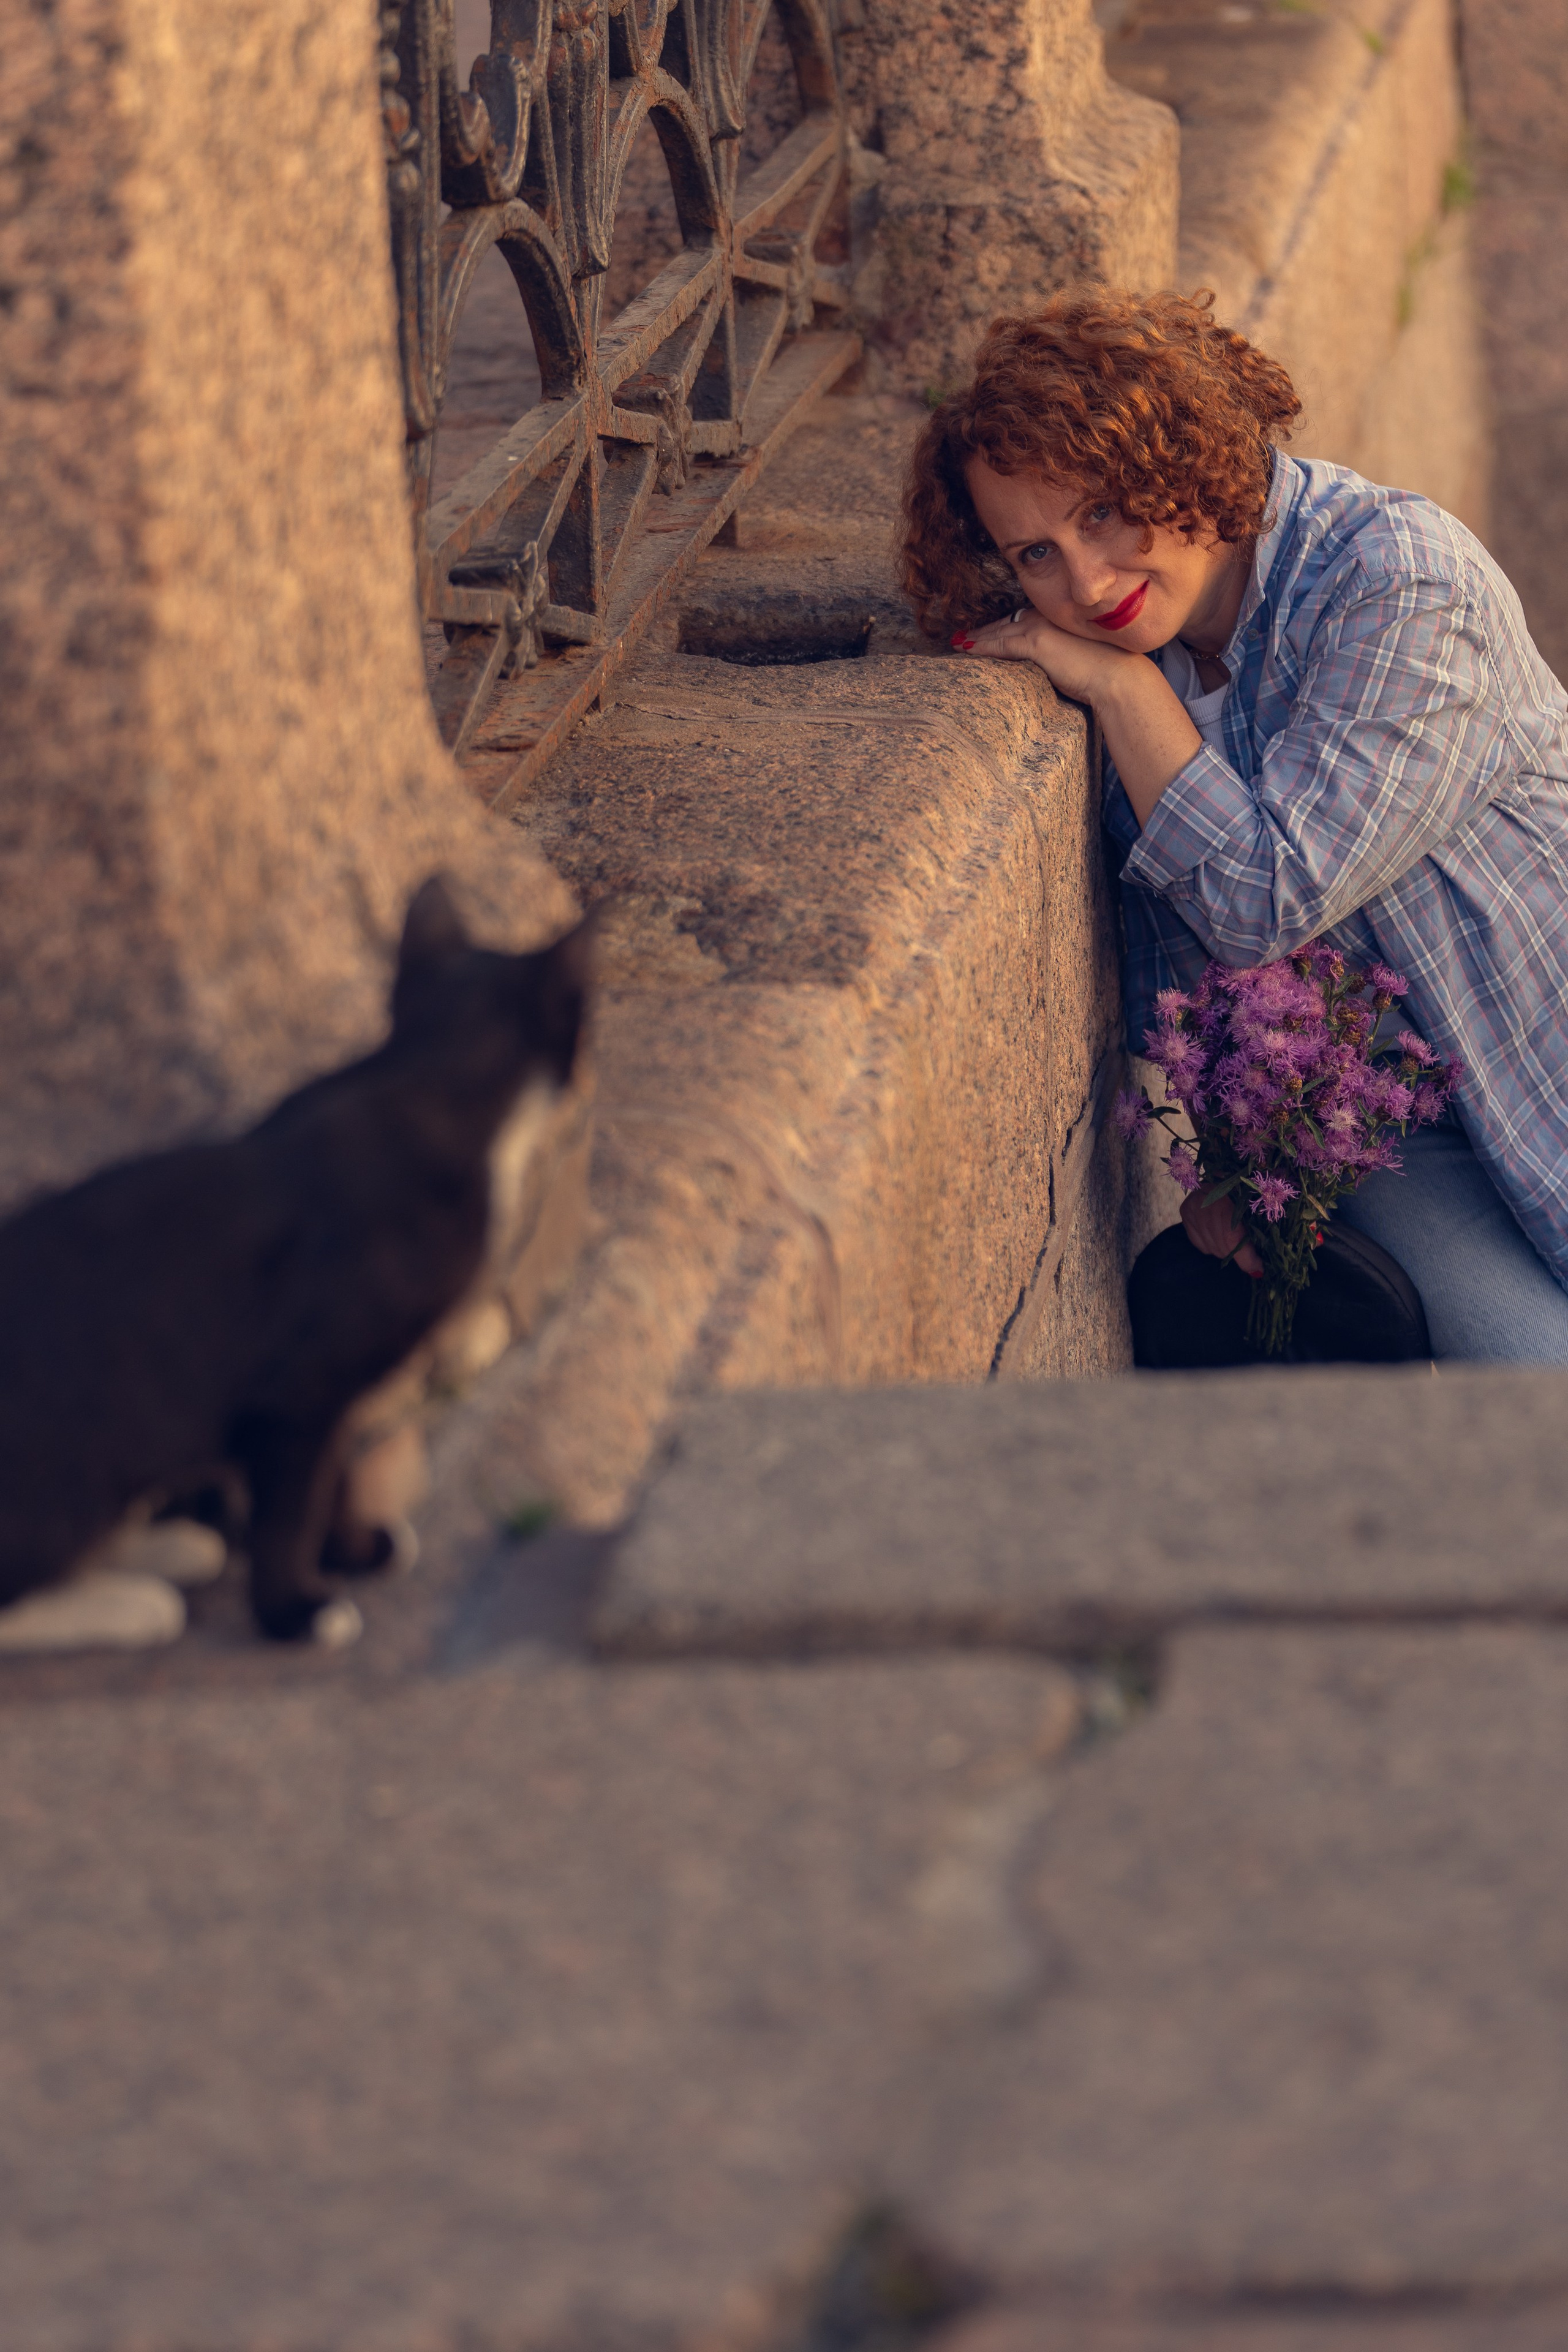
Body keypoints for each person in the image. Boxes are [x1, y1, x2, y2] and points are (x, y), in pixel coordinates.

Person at [902, 287, 1568, 1362]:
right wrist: (1237, 1150)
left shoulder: (1396, 579)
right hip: (1393, 1133)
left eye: (1104, 512)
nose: (1086, 580)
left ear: (1178, 454)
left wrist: (1127, 696)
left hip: (1543, 1046)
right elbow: (1192, 960)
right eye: (1034, 554)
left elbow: (1264, 900)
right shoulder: (1146, 654)